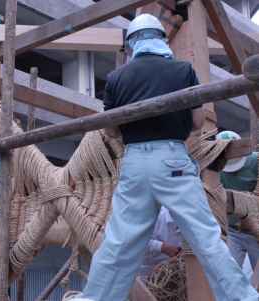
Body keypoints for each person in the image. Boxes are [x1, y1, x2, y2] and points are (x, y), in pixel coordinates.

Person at [69, 14, 258, 301]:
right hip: (173, 160)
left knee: (119, 243)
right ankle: (241, 298)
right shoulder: (183, 71)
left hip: (134, 162)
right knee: (206, 238)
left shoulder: (116, 78)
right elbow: (197, 123)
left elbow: (111, 130)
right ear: (161, 38)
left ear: (132, 43)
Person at [217, 130, 259, 274]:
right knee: (229, 274)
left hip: (256, 230)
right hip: (232, 230)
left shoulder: (256, 162)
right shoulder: (213, 166)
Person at [138, 207, 181, 281]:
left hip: (173, 273)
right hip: (145, 274)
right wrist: (162, 247)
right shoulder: (155, 216)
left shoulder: (191, 220)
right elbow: (134, 242)